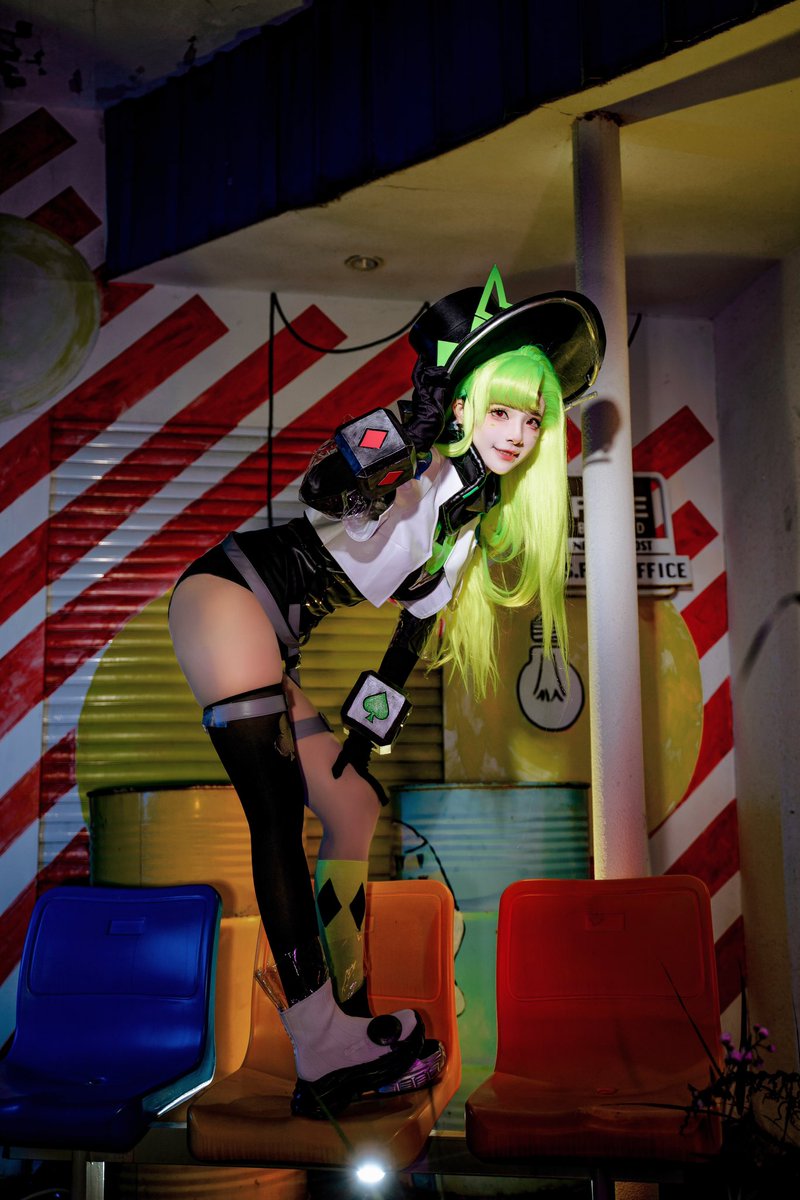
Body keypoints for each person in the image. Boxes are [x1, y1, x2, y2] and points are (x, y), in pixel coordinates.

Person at [168, 267, 605, 1119]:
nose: (518, 433)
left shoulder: (472, 513)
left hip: (276, 635)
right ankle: (317, 1041)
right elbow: (324, 488)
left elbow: (410, 641)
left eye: (533, 417)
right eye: (502, 410)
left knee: (354, 806)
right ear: (466, 402)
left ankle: (343, 1001)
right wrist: (413, 424)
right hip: (228, 596)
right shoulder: (418, 460)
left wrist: (361, 748)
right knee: (275, 813)